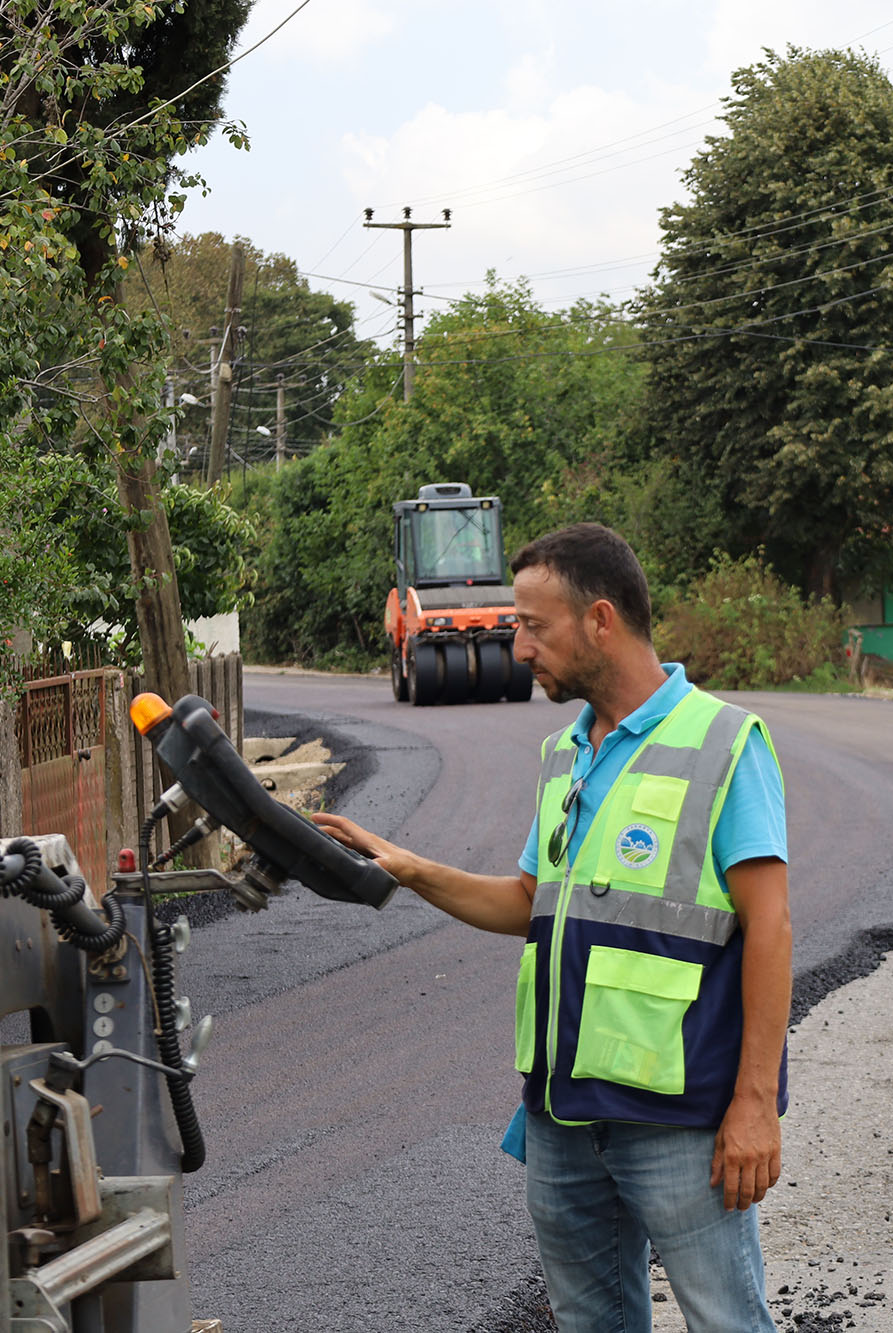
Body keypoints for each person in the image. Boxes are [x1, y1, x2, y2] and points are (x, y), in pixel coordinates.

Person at [312, 523, 791, 1333]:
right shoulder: (566, 756)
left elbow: (771, 929)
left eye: (534, 625)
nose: (517, 642)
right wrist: (406, 864)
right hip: (564, 1120)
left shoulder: (723, 744)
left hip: (679, 1121)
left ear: (600, 620)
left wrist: (755, 1102)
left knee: (727, 1321)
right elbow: (528, 901)